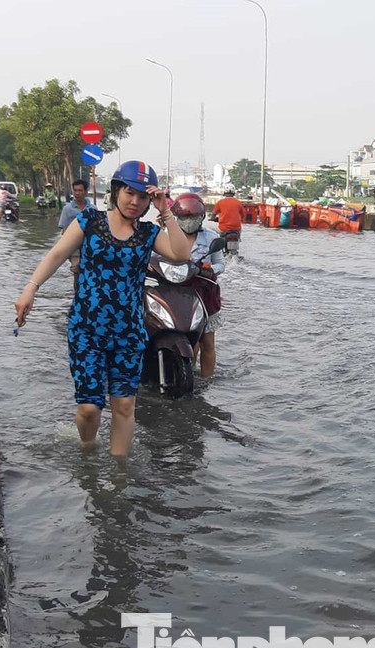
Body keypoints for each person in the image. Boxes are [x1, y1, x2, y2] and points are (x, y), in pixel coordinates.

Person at [14, 161, 192, 456]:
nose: (135, 202)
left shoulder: (148, 233)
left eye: (143, 197)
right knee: (89, 408)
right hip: (87, 331)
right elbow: (57, 254)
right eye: (129, 193)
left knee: (124, 405)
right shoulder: (90, 221)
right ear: (116, 191)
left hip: (128, 333)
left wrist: (166, 211)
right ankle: (88, 450)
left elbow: (181, 254)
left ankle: (119, 472)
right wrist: (30, 289)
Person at [171, 193, 225, 378]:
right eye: (184, 217)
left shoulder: (211, 237)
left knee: (207, 342)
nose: (189, 221)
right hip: (176, 292)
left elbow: (220, 265)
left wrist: (209, 269)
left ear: (201, 217)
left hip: (204, 294)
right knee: (187, 341)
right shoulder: (167, 236)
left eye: (193, 217)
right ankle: (188, 375)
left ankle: (207, 381)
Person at [211, 188, 244, 254]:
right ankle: (238, 241)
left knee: (210, 228)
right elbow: (242, 216)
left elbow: (214, 214)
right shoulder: (239, 202)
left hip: (223, 229)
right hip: (236, 229)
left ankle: (216, 246)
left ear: (225, 193)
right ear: (233, 193)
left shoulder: (220, 202)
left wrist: (212, 218)